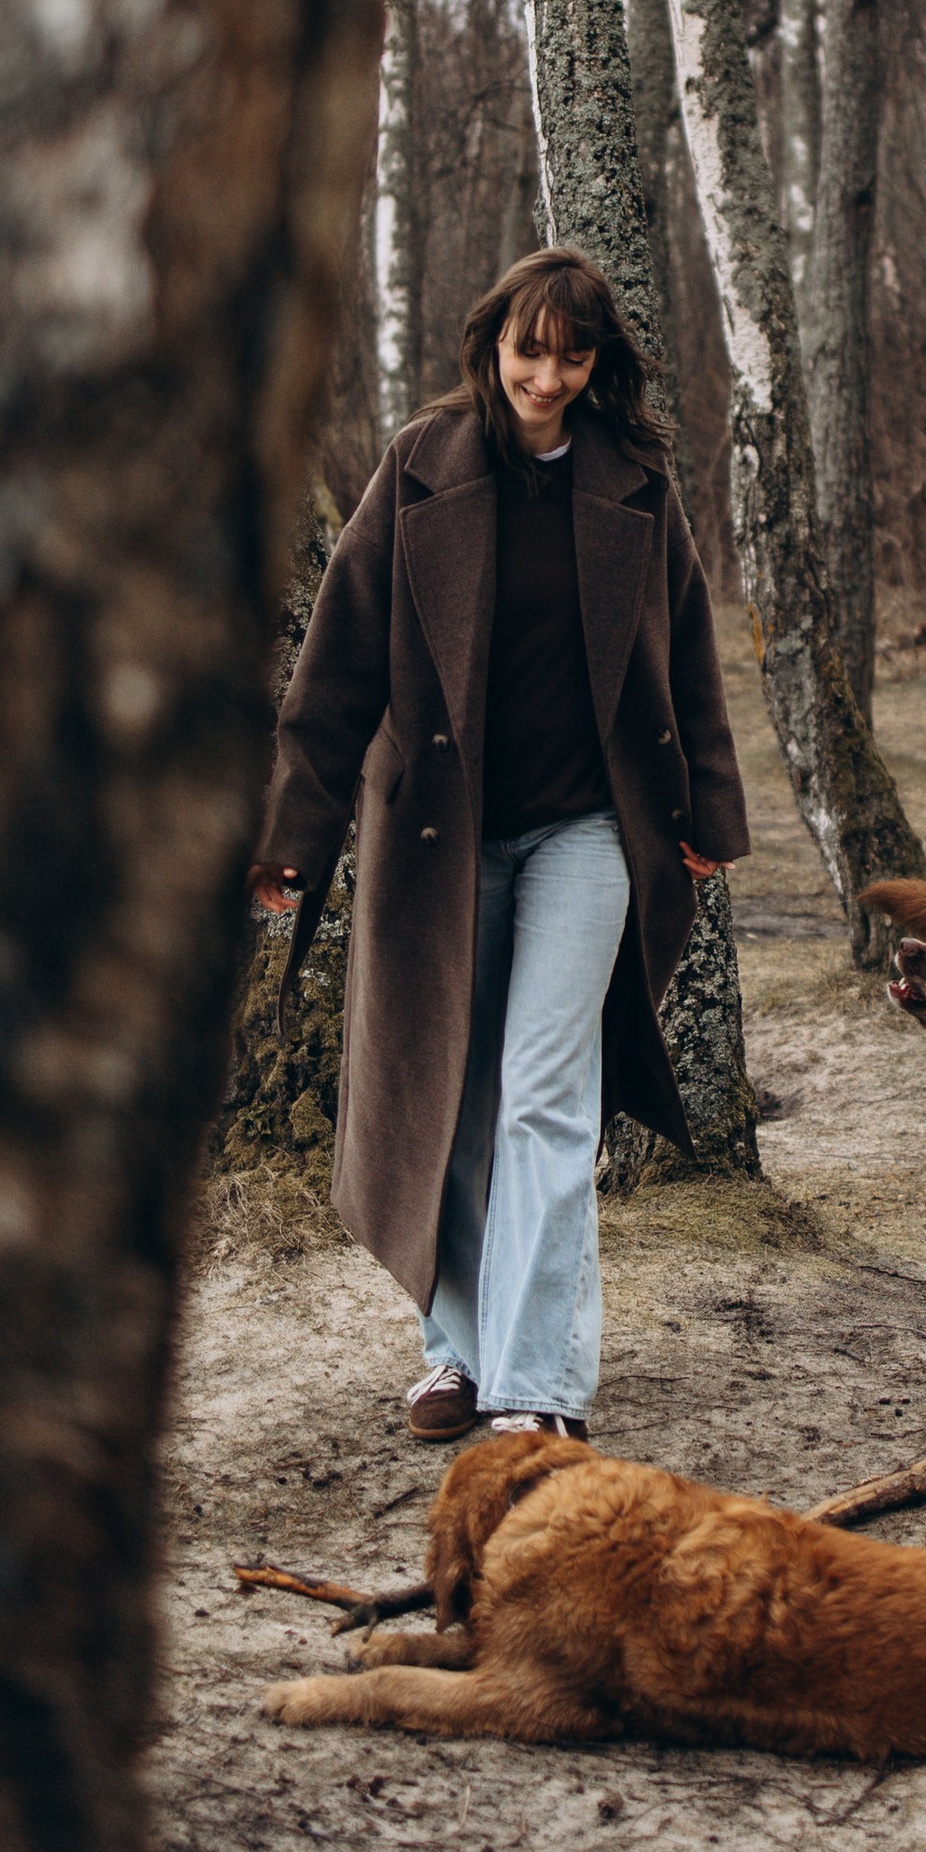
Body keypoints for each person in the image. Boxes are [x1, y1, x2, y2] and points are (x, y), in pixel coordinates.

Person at [249, 250, 750, 1444]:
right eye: (529, 350)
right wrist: (292, 834)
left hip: (588, 830)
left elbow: (687, 653)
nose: (547, 376)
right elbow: (337, 663)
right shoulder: (419, 465)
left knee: (544, 1097)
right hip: (442, 833)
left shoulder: (634, 480)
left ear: (597, 361)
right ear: (492, 346)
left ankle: (536, 1390)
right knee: (453, 1096)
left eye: (572, 355)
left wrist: (707, 814)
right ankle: (457, 1354)